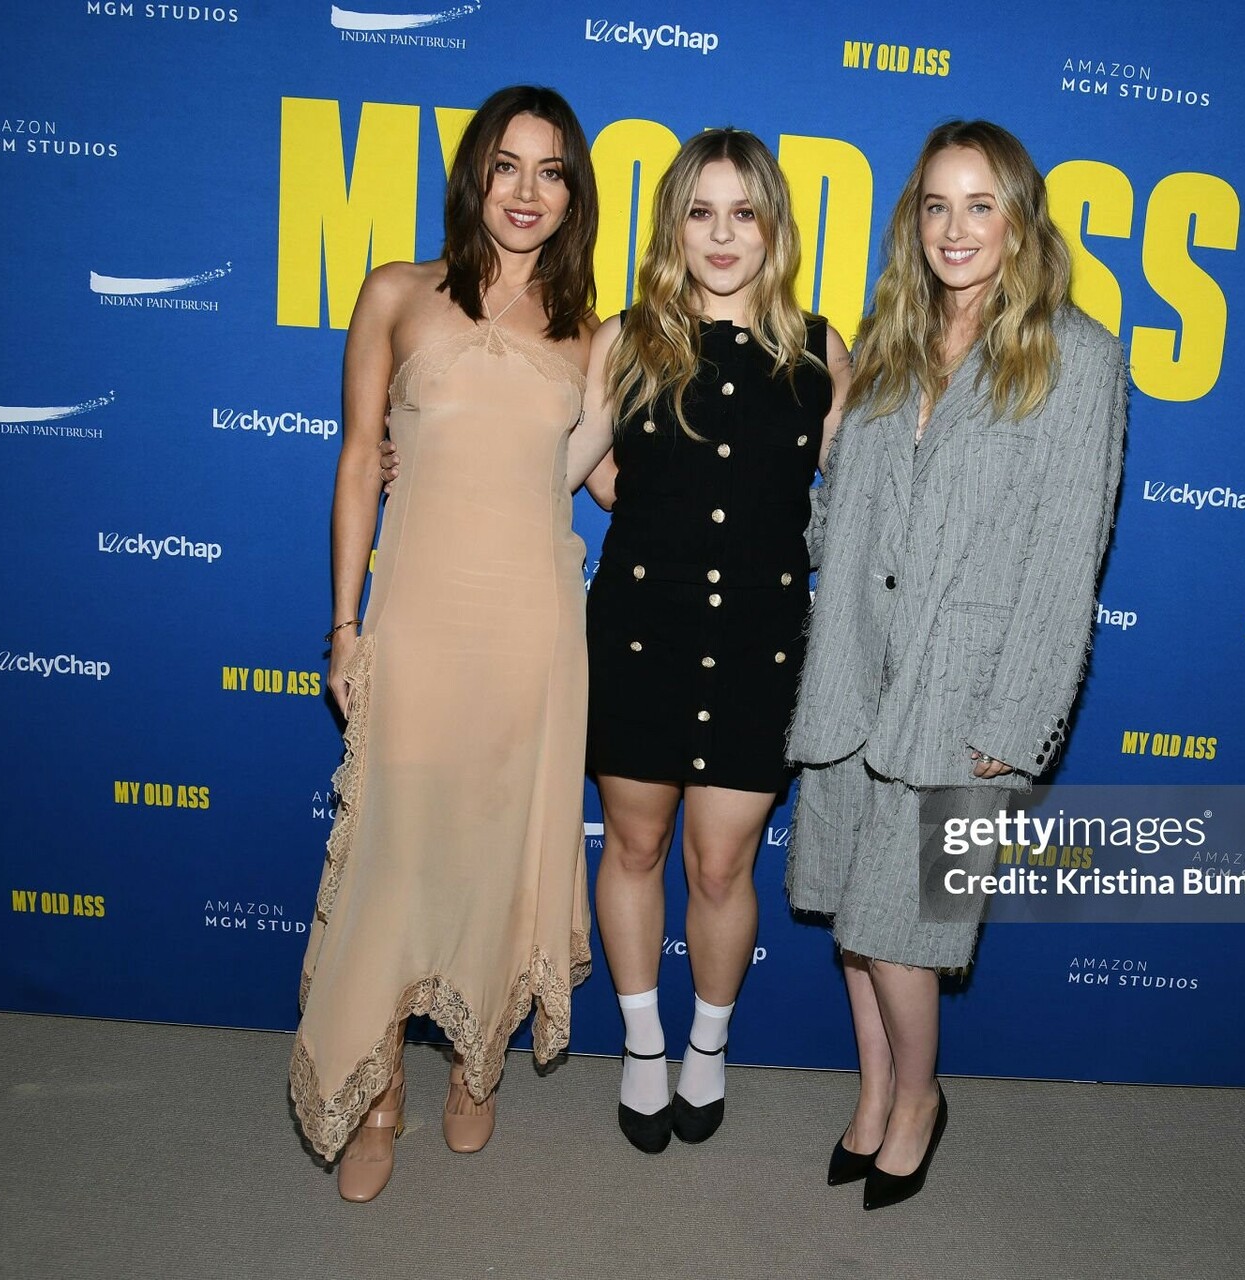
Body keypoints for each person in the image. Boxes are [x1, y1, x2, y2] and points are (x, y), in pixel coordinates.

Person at [786, 120, 1127, 1210]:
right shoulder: (891, 339)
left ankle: (921, 1101)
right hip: (855, 670)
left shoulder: (1077, 355)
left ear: (1020, 219)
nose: (955, 227)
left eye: (981, 205)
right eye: (936, 204)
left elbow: (1069, 557)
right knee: (852, 920)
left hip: (965, 690)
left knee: (903, 932)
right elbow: (844, 511)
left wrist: (1018, 716)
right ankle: (874, 1093)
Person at [288, 84, 599, 1203]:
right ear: (474, 176)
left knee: (500, 849)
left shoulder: (592, 333)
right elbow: (356, 461)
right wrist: (344, 625)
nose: (527, 191)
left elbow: (614, 478)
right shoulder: (395, 292)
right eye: (507, 165)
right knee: (397, 853)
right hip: (417, 618)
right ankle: (377, 1093)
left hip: (535, 632)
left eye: (551, 171)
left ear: (573, 194)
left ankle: (478, 1064)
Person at [565, 128, 849, 1154]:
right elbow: (568, 469)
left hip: (762, 647)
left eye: (744, 212)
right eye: (700, 212)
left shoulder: (820, 351)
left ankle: (708, 1045)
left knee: (723, 866)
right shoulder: (626, 339)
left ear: (774, 228)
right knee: (635, 846)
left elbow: (862, 504)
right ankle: (643, 1044)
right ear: (672, 227)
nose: (722, 235)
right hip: (640, 636)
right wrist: (425, 450)